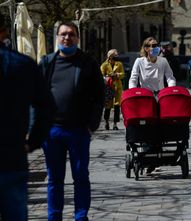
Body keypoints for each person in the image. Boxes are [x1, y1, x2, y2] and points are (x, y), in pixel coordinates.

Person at [39, 21, 105, 221]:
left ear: (77, 38)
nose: (67, 38)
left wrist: (91, 125)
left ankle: (80, 216)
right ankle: (54, 217)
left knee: (80, 177)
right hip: (52, 131)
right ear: (57, 37)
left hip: (78, 130)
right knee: (54, 179)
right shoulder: (47, 63)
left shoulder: (88, 63)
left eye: (71, 35)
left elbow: (99, 96)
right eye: (63, 35)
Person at [0, 13, 53, 221]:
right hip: (12, 156)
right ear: (4, 31)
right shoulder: (22, 64)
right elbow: (46, 107)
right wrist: (33, 142)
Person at [129, 37, 176, 175]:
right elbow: (133, 78)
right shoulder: (139, 61)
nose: (155, 47)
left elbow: (170, 77)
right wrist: (133, 93)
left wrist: (171, 90)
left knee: (160, 125)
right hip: (144, 97)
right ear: (146, 48)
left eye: (156, 45)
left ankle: (156, 155)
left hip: (161, 96)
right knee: (145, 125)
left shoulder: (163, 61)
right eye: (152, 45)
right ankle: (147, 157)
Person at [100, 49, 125, 130]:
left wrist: (117, 75)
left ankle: (115, 124)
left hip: (117, 87)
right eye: (115, 55)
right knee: (108, 106)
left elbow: (123, 74)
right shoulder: (104, 65)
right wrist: (107, 77)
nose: (117, 57)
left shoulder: (119, 64)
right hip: (108, 88)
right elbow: (101, 76)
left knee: (117, 105)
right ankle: (106, 122)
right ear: (110, 56)